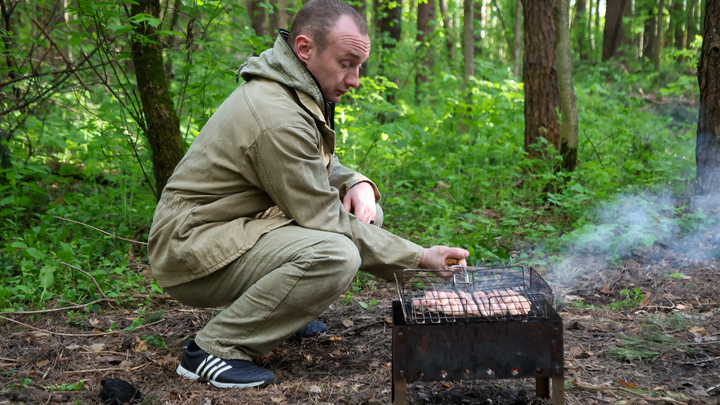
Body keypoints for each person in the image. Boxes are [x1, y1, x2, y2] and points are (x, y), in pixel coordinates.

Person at [148, 0, 469, 389]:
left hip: (230, 229)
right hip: (189, 248)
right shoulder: (274, 114)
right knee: (336, 254)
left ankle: (281, 314)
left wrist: (357, 183)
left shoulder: (290, 89)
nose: (354, 80)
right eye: (346, 63)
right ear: (304, 49)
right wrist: (419, 257)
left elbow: (312, 163)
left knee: (366, 215)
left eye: (358, 66)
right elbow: (322, 217)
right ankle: (213, 350)